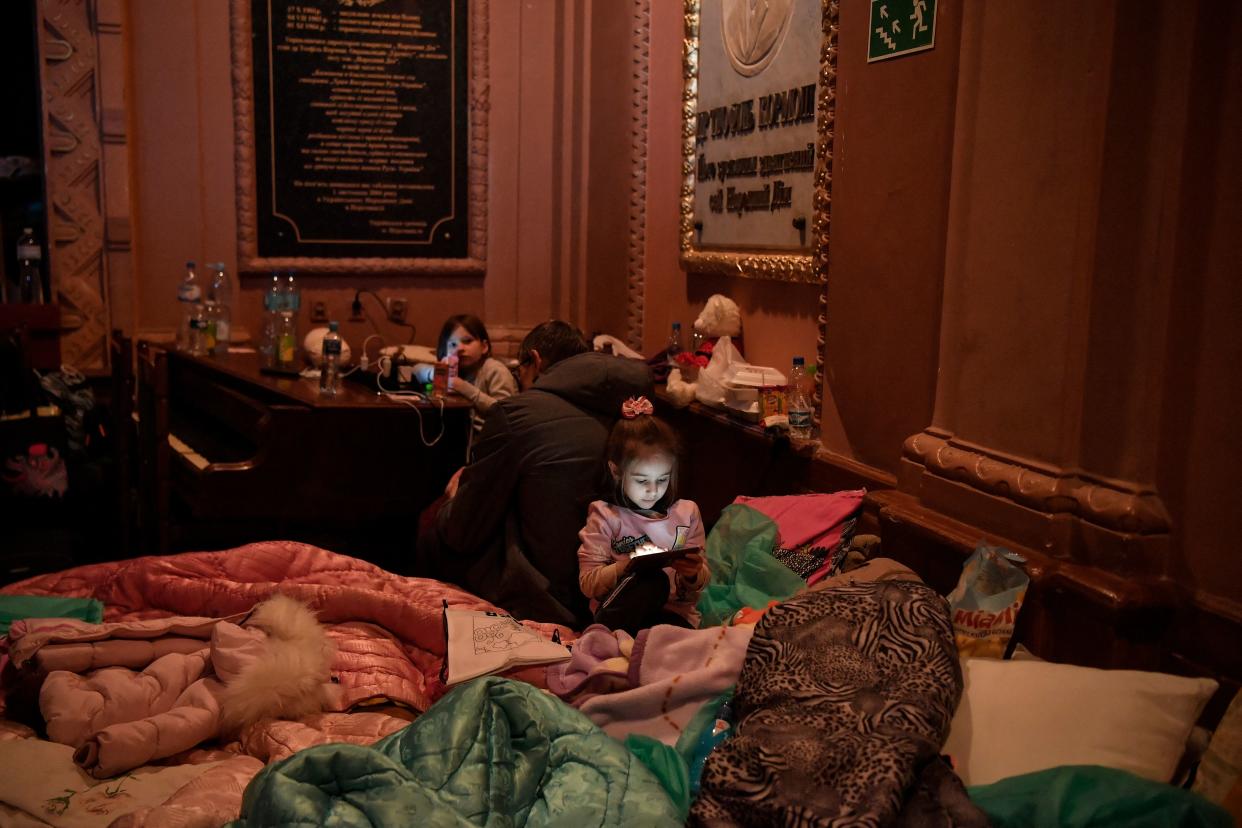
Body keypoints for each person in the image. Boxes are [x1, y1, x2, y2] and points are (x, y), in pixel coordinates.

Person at [419, 320, 654, 628]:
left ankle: (434, 630)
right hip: (624, 590)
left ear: (536, 360)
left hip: (548, 595)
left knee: (433, 522)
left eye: (520, 372)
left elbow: (463, 532)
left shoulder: (519, 413)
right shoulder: (637, 406)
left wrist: (455, 494)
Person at [577, 397, 708, 634]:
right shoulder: (606, 515)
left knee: (681, 640)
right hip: (621, 616)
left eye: (662, 479)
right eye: (641, 480)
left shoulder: (686, 512)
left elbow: (699, 585)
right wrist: (627, 566)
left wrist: (692, 574)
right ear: (616, 471)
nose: (653, 490)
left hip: (673, 616)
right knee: (653, 582)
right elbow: (588, 584)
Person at [413, 314, 517, 435]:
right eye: (453, 344)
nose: (459, 348)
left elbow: (504, 413)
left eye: (467, 341)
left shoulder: (495, 370)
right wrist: (436, 373)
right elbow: (416, 369)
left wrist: (463, 387)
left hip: (490, 442)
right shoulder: (454, 369)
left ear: (484, 347)